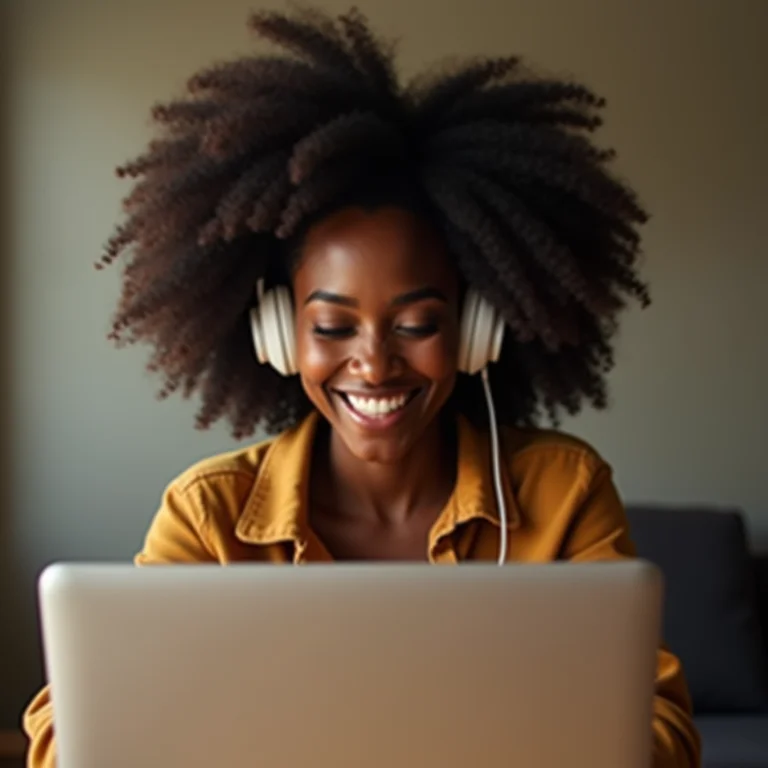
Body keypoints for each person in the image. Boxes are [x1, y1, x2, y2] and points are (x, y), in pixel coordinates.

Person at [22, 7, 701, 767]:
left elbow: (663, 738)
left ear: (478, 331)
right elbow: (65, 739)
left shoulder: (563, 492)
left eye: (416, 324)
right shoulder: (208, 514)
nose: (375, 365)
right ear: (279, 336)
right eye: (334, 327)